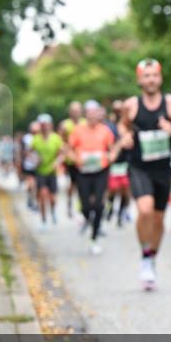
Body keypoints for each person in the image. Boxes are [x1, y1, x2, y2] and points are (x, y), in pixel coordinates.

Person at [118, 59, 171, 290]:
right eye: (146, 76)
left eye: (154, 75)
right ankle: (145, 253)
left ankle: (150, 259)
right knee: (145, 209)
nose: (150, 79)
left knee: (159, 218)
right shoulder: (131, 105)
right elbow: (122, 125)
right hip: (139, 167)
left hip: (163, 169)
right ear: (140, 79)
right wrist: (125, 136)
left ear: (160, 78)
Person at [68, 100, 121, 254]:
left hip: (100, 170)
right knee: (85, 206)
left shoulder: (105, 130)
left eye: (94, 113)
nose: (92, 116)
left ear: (98, 115)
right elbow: (69, 149)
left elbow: (113, 149)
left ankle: (94, 237)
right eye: (89, 113)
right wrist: (75, 158)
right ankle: (88, 219)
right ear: (85, 115)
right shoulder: (78, 130)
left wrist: (112, 155)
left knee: (98, 204)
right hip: (83, 171)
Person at [31, 114, 64, 227]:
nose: (44, 127)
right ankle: (44, 220)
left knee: (53, 198)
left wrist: (57, 162)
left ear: (50, 125)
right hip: (40, 172)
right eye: (42, 125)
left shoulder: (56, 138)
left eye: (46, 125)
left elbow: (62, 154)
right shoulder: (36, 139)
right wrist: (35, 159)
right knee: (42, 195)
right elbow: (29, 153)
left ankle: (53, 211)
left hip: (52, 172)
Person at [106, 100, 132, 227]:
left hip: (126, 162)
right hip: (113, 163)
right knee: (112, 189)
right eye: (116, 110)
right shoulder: (109, 126)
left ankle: (122, 213)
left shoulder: (129, 125)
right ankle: (110, 208)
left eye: (120, 110)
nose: (118, 112)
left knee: (125, 190)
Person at [59, 101, 84, 219]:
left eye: (78, 110)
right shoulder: (65, 124)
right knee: (73, 184)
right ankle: (69, 204)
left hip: (84, 159)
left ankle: (82, 206)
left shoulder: (85, 123)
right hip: (71, 161)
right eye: (74, 110)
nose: (76, 113)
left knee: (83, 184)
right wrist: (67, 154)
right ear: (70, 112)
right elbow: (61, 142)